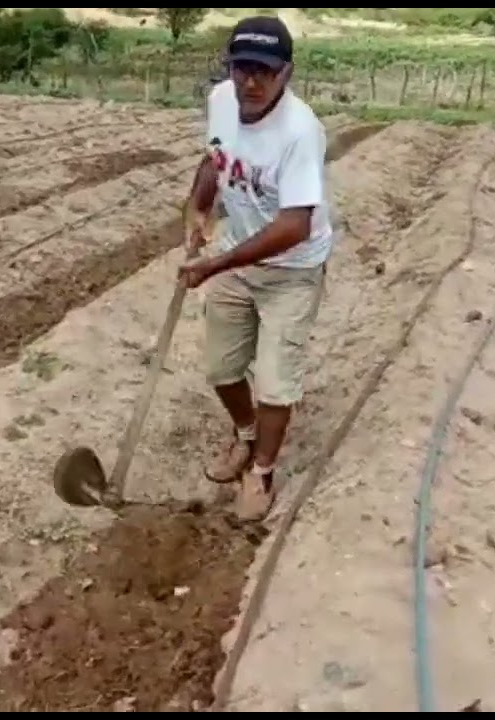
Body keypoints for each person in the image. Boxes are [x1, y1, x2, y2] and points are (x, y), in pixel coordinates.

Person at [178, 15, 335, 522]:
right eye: (242, 67)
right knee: (222, 369)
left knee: (275, 383)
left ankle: (262, 470)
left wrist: (216, 261)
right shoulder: (221, 101)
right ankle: (245, 435)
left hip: (291, 269)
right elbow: (215, 157)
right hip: (238, 256)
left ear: (285, 73)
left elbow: (296, 226)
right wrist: (199, 206)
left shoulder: (300, 133)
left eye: (263, 71)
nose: (250, 81)